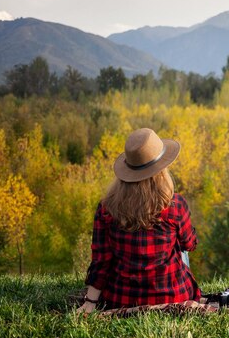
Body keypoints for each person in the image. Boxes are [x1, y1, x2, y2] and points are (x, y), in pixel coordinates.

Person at [77, 128, 201, 314]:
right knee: (180, 246)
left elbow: (102, 260)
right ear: (161, 171)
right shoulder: (175, 205)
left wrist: (90, 301)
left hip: (122, 299)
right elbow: (190, 244)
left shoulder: (107, 208)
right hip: (173, 297)